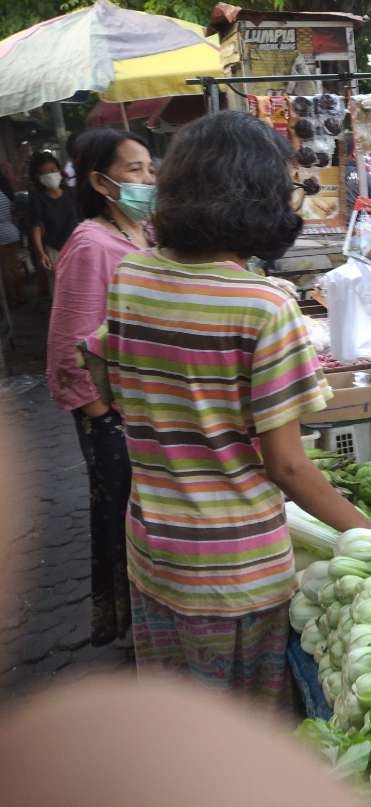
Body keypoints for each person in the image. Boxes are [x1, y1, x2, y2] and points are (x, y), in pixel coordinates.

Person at [85, 110, 371, 704]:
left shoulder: (132, 273)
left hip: (154, 549)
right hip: (234, 570)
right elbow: (288, 466)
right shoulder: (263, 306)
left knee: (178, 722)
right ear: (261, 195)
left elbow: (109, 385)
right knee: (246, 731)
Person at [46, 128, 157, 646]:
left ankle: (155, 621)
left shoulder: (145, 233)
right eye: (135, 170)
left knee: (149, 520)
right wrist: (101, 417)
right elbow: (69, 344)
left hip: (144, 409)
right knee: (120, 518)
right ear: (101, 182)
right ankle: (132, 628)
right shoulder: (90, 245)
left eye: (150, 169)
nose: (147, 179)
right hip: (110, 416)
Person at [28, 150, 80, 293]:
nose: (51, 174)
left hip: (78, 246)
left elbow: (83, 218)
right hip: (55, 250)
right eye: (45, 172)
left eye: (53, 170)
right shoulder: (38, 199)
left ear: (59, 170)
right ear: (39, 177)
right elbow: (36, 227)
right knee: (62, 288)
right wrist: (41, 253)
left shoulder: (71, 192)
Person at [0, 175, 23, 307]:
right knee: (15, 267)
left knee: (5, 270)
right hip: (12, 232)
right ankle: (21, 296)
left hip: (1, 236)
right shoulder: (5, 196)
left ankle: (12, 300)